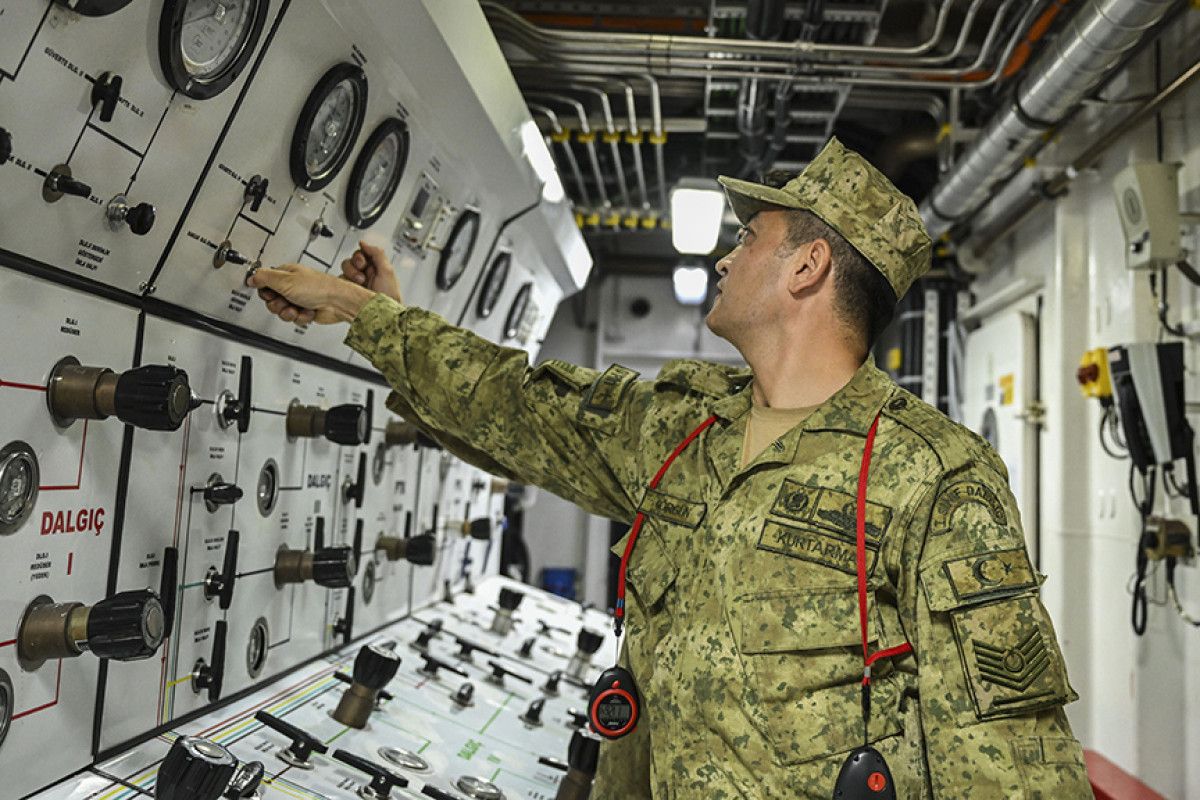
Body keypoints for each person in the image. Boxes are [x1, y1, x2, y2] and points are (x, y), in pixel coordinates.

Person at [248, 137, 1093, 799]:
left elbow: (1013, 766)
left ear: (808, 268)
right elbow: (513, 407)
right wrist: (375, 316)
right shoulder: (686, 428)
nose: (725, 259)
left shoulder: (933, 477)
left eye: (749, 239)